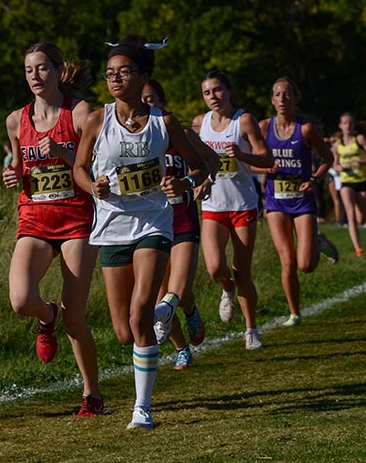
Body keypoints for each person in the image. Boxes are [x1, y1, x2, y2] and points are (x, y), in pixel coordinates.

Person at [73, 37, 206, 430]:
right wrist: (91, 186)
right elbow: (79, 168)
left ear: (143, 76)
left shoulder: (164, 123)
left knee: (138, 313)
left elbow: (199, 166)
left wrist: (182, 184)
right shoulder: (97, 121)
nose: (115, 78)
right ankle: (164, 313)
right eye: (110, 73)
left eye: (123, 72)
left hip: (153, 223)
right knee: (122, 330)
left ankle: (142, 408)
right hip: (112, 226)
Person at [1, 41, 104, 417]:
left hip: (76, 219)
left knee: (75, 315)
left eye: (43, 68)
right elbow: (18, 165)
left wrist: (63, 154)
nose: (35, 76)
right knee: (19, 300)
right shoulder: (16, 120)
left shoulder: (79, 113)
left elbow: (95, 169)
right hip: (35, 219)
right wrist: (11, 173)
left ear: (58, 70)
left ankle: (91, 394)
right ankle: (46, 317)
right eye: (29, 70)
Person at [141, 78, 219, 370]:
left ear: (161, 102)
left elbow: (212, 161)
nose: (146, 104)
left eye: (151, 99)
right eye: (142, 99)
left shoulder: (180, 133)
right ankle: (181, 348)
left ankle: (190, 308)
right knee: (160, 296)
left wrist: (193, 182)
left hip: (183, 221)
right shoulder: (131, 142)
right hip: (152, 225)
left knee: (179, 290)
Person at [193, 70, 274, 349]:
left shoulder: (245, 120)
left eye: (217, 90)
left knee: (242, 271)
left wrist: (242, 155)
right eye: (207, 92)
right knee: (215, 267)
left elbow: (266, 157)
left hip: (242, 204)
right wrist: (198, 182)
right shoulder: (199, 123)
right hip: (213, 204)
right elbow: (196, 160)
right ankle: (227, 289)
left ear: (229, 92)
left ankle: (251, 330)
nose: (212, 97)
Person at [255, 77, 338, 327]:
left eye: (287, 94)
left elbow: (327, 158)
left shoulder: (306, 129)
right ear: (272, 99)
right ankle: (294, 312)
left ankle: (319, 241)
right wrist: (264, 168)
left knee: (306, 265)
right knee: (287, 261)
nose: (282, 99)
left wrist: (315, 179)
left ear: (295, 98)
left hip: (302, 200)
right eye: (277, 94)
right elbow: (250, 161)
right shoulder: (263, 127)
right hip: (275, 201)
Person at [332, 112, 366, 257]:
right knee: (350, 215)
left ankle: (358, 234)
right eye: (345, 123)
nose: (348, 126)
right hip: (346, 181)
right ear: (340, 126)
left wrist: (362, 162)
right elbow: (335, 164)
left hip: (362, 180)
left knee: (361, 218)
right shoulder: (337, 144)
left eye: (350, 123)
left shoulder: (360, 139)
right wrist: (339, 168)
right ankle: (358, 249)